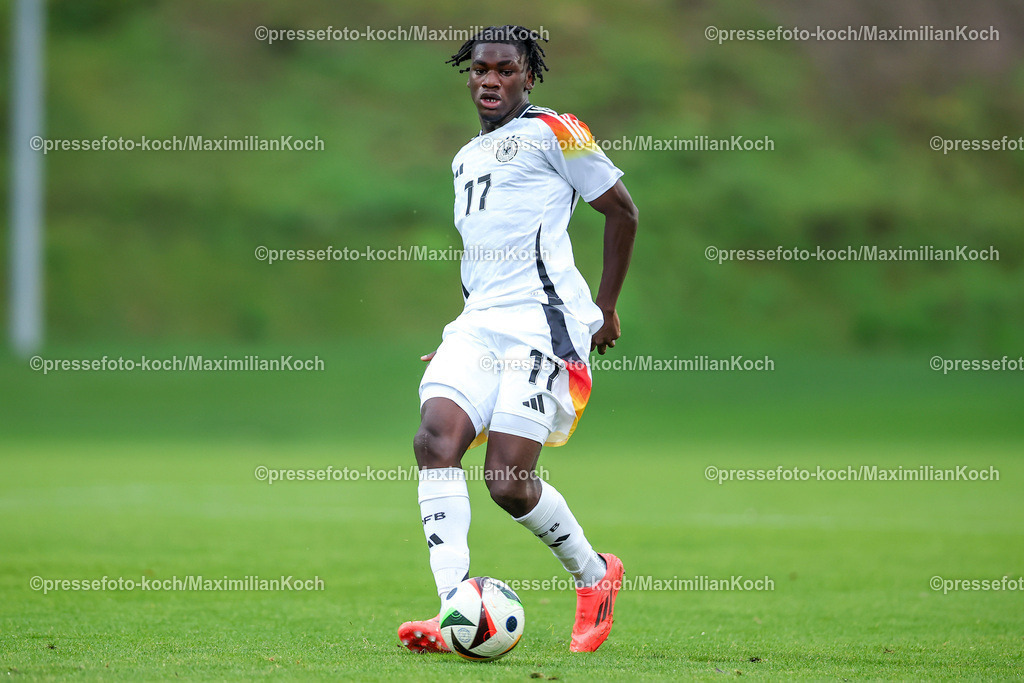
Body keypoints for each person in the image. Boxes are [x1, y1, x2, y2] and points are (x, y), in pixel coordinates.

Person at [398, 24, 638, 654]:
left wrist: (605, 308)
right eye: (480, 71)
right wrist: (467, 324)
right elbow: (486, 250)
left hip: (543, 322)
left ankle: (596, 577)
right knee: (434, 440)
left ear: (528, 75)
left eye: (506, 70)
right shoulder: (464, 158)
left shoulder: (556, 131)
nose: (491, 81)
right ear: (468, 75)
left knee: (506, 481)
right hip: (479, 324)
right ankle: (454, 609)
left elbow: (622, 211)